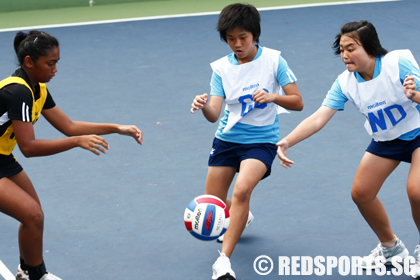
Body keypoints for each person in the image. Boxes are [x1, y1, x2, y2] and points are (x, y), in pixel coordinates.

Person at [276, 20, 420, 277]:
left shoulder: (397, 63)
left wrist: (416, 96)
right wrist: (288, 140)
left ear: (370, 48)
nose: (344, 55)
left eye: (351, 48)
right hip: (387, 140)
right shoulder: (345, 83)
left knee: (417, 191)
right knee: (361, 193)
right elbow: (319, 117)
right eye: (341, 49)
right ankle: (391, 248)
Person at [0, 30, 143, 280]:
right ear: (29, 62)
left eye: (57, 63)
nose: (55, 69)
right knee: (32, 214)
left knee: (34, 216)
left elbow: (69, 126)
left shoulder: (37, 89)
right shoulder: (18, 91)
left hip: (2, 158)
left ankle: (28, 272)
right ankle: (35, 275)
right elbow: (29, 148)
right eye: (50, 63)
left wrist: (117, 128)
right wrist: (76, 142)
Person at [190, 3, 303, 279]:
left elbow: (298, 102)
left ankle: (223, 263)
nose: (237, 44)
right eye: (230, 39)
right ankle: (242, 215)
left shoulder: (275, 61)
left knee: (242, 192)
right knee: (212, 203)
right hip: (227, 140)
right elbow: (214, 113)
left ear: (254, 34)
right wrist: (203, 105)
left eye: (242, 37)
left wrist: (273, 97)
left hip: (261, 140)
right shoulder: (221, 69)